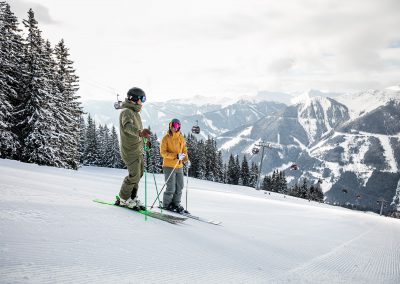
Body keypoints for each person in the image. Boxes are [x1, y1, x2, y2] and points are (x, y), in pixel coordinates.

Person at [116, 87, 151, 210]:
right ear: (135, 99)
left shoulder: (135, 113)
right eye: (142, 99)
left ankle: (132, 197)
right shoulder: (127, 112)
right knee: (134, 176)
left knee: (139, 174)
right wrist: (140, 132)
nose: (143, 101)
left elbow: (137, 134)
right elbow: (128, 127)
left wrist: (144, 141)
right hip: (129, 151)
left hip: (137, 149)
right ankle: (122, 199)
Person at [160, 118, 190, 213]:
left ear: (179, 127)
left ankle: (175, 204)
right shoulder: (166, 138)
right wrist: (175, 156)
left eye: (176, 125)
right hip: (169, 166)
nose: (174, 127)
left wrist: (186, 160)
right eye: (172, 125)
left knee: (180, 186)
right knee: (171, 187)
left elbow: (184, 151)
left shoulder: (181, 137)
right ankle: (166, 204)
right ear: (170, 125)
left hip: (179, 166)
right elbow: (163, 153)